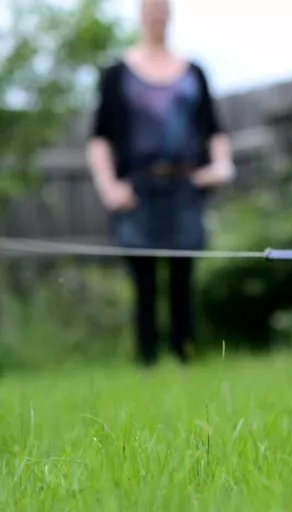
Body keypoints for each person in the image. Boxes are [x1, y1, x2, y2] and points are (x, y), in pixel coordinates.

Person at [86, 0, 234, 366]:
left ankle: (185, 359)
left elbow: (214, 130)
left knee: (183, 279)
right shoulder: (116, 73)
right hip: (137, 190)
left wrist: (221, 165)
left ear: (169, 14)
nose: (155, 14)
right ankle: (146, 362)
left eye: (161, 7)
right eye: (149, 7)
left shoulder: (193, 71)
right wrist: (109, 187)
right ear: (140, 14)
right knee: (145, 282)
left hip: (185, 187)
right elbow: (100, 138)